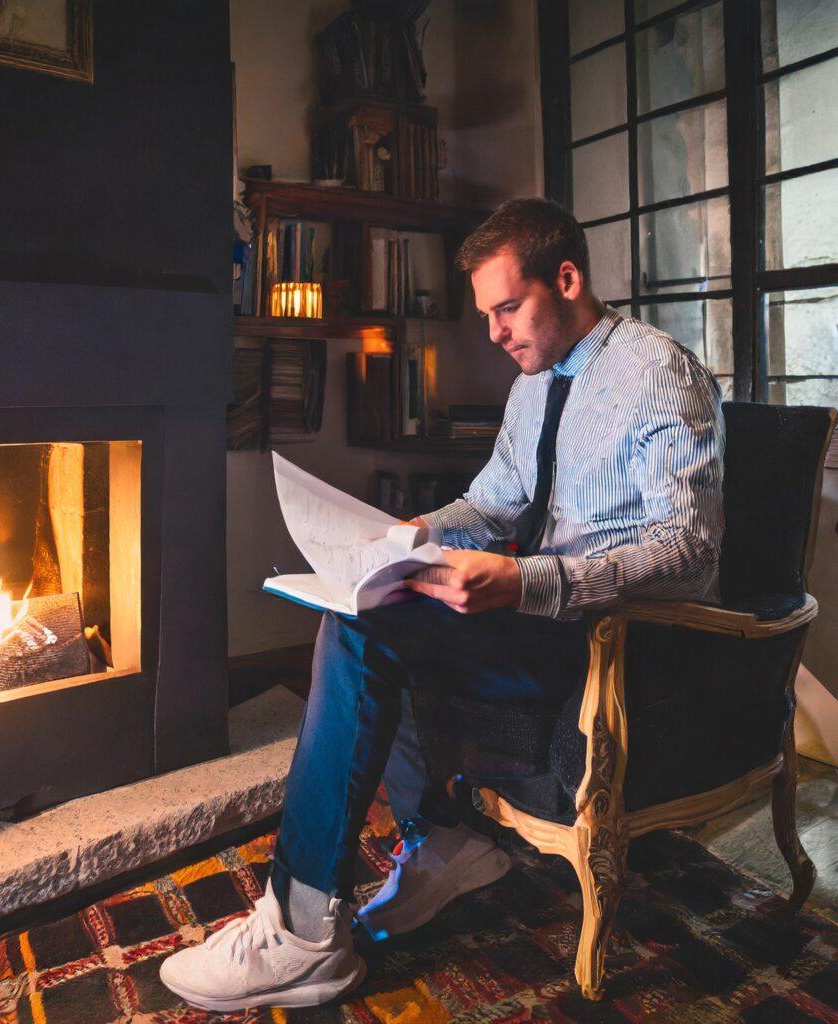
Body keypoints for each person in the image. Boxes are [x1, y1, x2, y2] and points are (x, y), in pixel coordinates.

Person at [159, 197, 725, 1013]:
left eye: (507, 308)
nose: (494, 333)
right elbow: (492, 502)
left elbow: (689, 552)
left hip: (611, 643)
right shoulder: (536, 385)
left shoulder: (658, 374)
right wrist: (404, 533)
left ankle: (301, 932)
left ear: (566, 280)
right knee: (364, 605)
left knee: (362, 634)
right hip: (538, 620)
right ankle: (445, 840)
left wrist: (524, 582)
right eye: (487, 313)